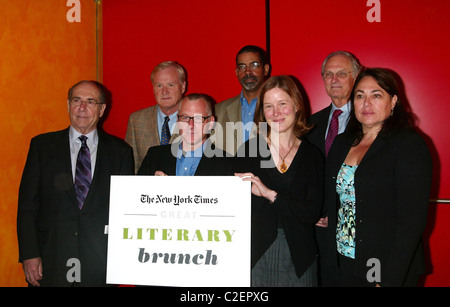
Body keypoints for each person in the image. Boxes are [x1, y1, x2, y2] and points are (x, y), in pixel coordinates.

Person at [321, 68, 432, 287]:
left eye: (376, 95)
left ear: (393, 101)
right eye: (360, 95)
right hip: (343, 259)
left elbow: (411, 222)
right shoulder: (343, 142)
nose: (366, 103)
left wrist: (388, 278)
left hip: (382, 264)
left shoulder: (408, 145)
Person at [17, 80, 135, 286]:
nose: (82, 108)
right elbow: (27, 206)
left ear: (101, 110)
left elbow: (125, 211)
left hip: (99, 266)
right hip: (50, 262)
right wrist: (29, 255)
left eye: (90, 101)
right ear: (68, 105)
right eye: (76, 100)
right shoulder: (42, 147)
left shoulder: (121, 152)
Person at [235, 75, 324, 287]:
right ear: (262, 112)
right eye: (269, 106)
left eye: (282, 104)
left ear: (296, 106)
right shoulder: (248, 151)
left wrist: (270, 194)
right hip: (255, 255)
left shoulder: (312, 156)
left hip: (300, 257)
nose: (276, 113)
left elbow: (311, 213)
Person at [138, 93, 232, 176]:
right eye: (185, 117)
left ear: (210, 122)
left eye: (198, 118)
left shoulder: (227, 164)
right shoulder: (154, 157)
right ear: (178, 121)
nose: (190, 125)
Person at [125, 61, 187, 172]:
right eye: (159, 86)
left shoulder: (197, 120)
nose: (164, 91)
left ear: (183, 87)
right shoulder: (137, 120)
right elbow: (131, 167)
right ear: (153, 89)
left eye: (171, 85)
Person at [214, 45, 270, 155]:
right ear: (236, 72)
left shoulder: (278, 111)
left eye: (254, 65)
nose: (248, 72)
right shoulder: (218, 111)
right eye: (242, 67)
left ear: (266, 69)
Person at [306, 51, 362, 157]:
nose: (334, 79)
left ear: (355, 78)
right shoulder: (311, 123)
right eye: (328, 74)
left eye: (342, 73)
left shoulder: (367, 119)